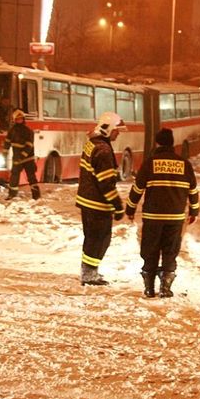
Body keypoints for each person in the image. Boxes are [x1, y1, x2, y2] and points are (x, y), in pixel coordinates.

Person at [125, 128, 199, 298]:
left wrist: (130, 209)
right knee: (170, 251)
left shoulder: (150, 163)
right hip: (175, 217)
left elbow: (137, 189)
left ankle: (149, 287)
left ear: (157, 143)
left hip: (153, 217)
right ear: (172, 143)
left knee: (150, 250)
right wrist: (194, 211)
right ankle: (165, 287)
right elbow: (193, 190)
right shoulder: (184, 164)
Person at [76, 112, 126, 286]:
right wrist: (118, 205)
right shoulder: (104, 151)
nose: (118, 133)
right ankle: (89, 274)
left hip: (86, 200)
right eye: (117, 130)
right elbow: (106, 183)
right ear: (109, 129)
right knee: (99, 239)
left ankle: (88, 271)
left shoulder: (92, 144)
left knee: (91, 237)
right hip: (97, 204)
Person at [3, 109, 40, 200]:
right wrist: (5, 152)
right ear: (14, 120)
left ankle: (36, 195)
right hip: (16, 158)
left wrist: (22, 156)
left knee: (31, 177)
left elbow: (29, 145)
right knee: (14, 176)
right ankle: (12, 194)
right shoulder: (12, 130)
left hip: (28, 158)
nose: (19, 120)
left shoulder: (28, 131)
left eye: (20, 119)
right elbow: (7, 141)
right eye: (17, 119)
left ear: (23, 119)